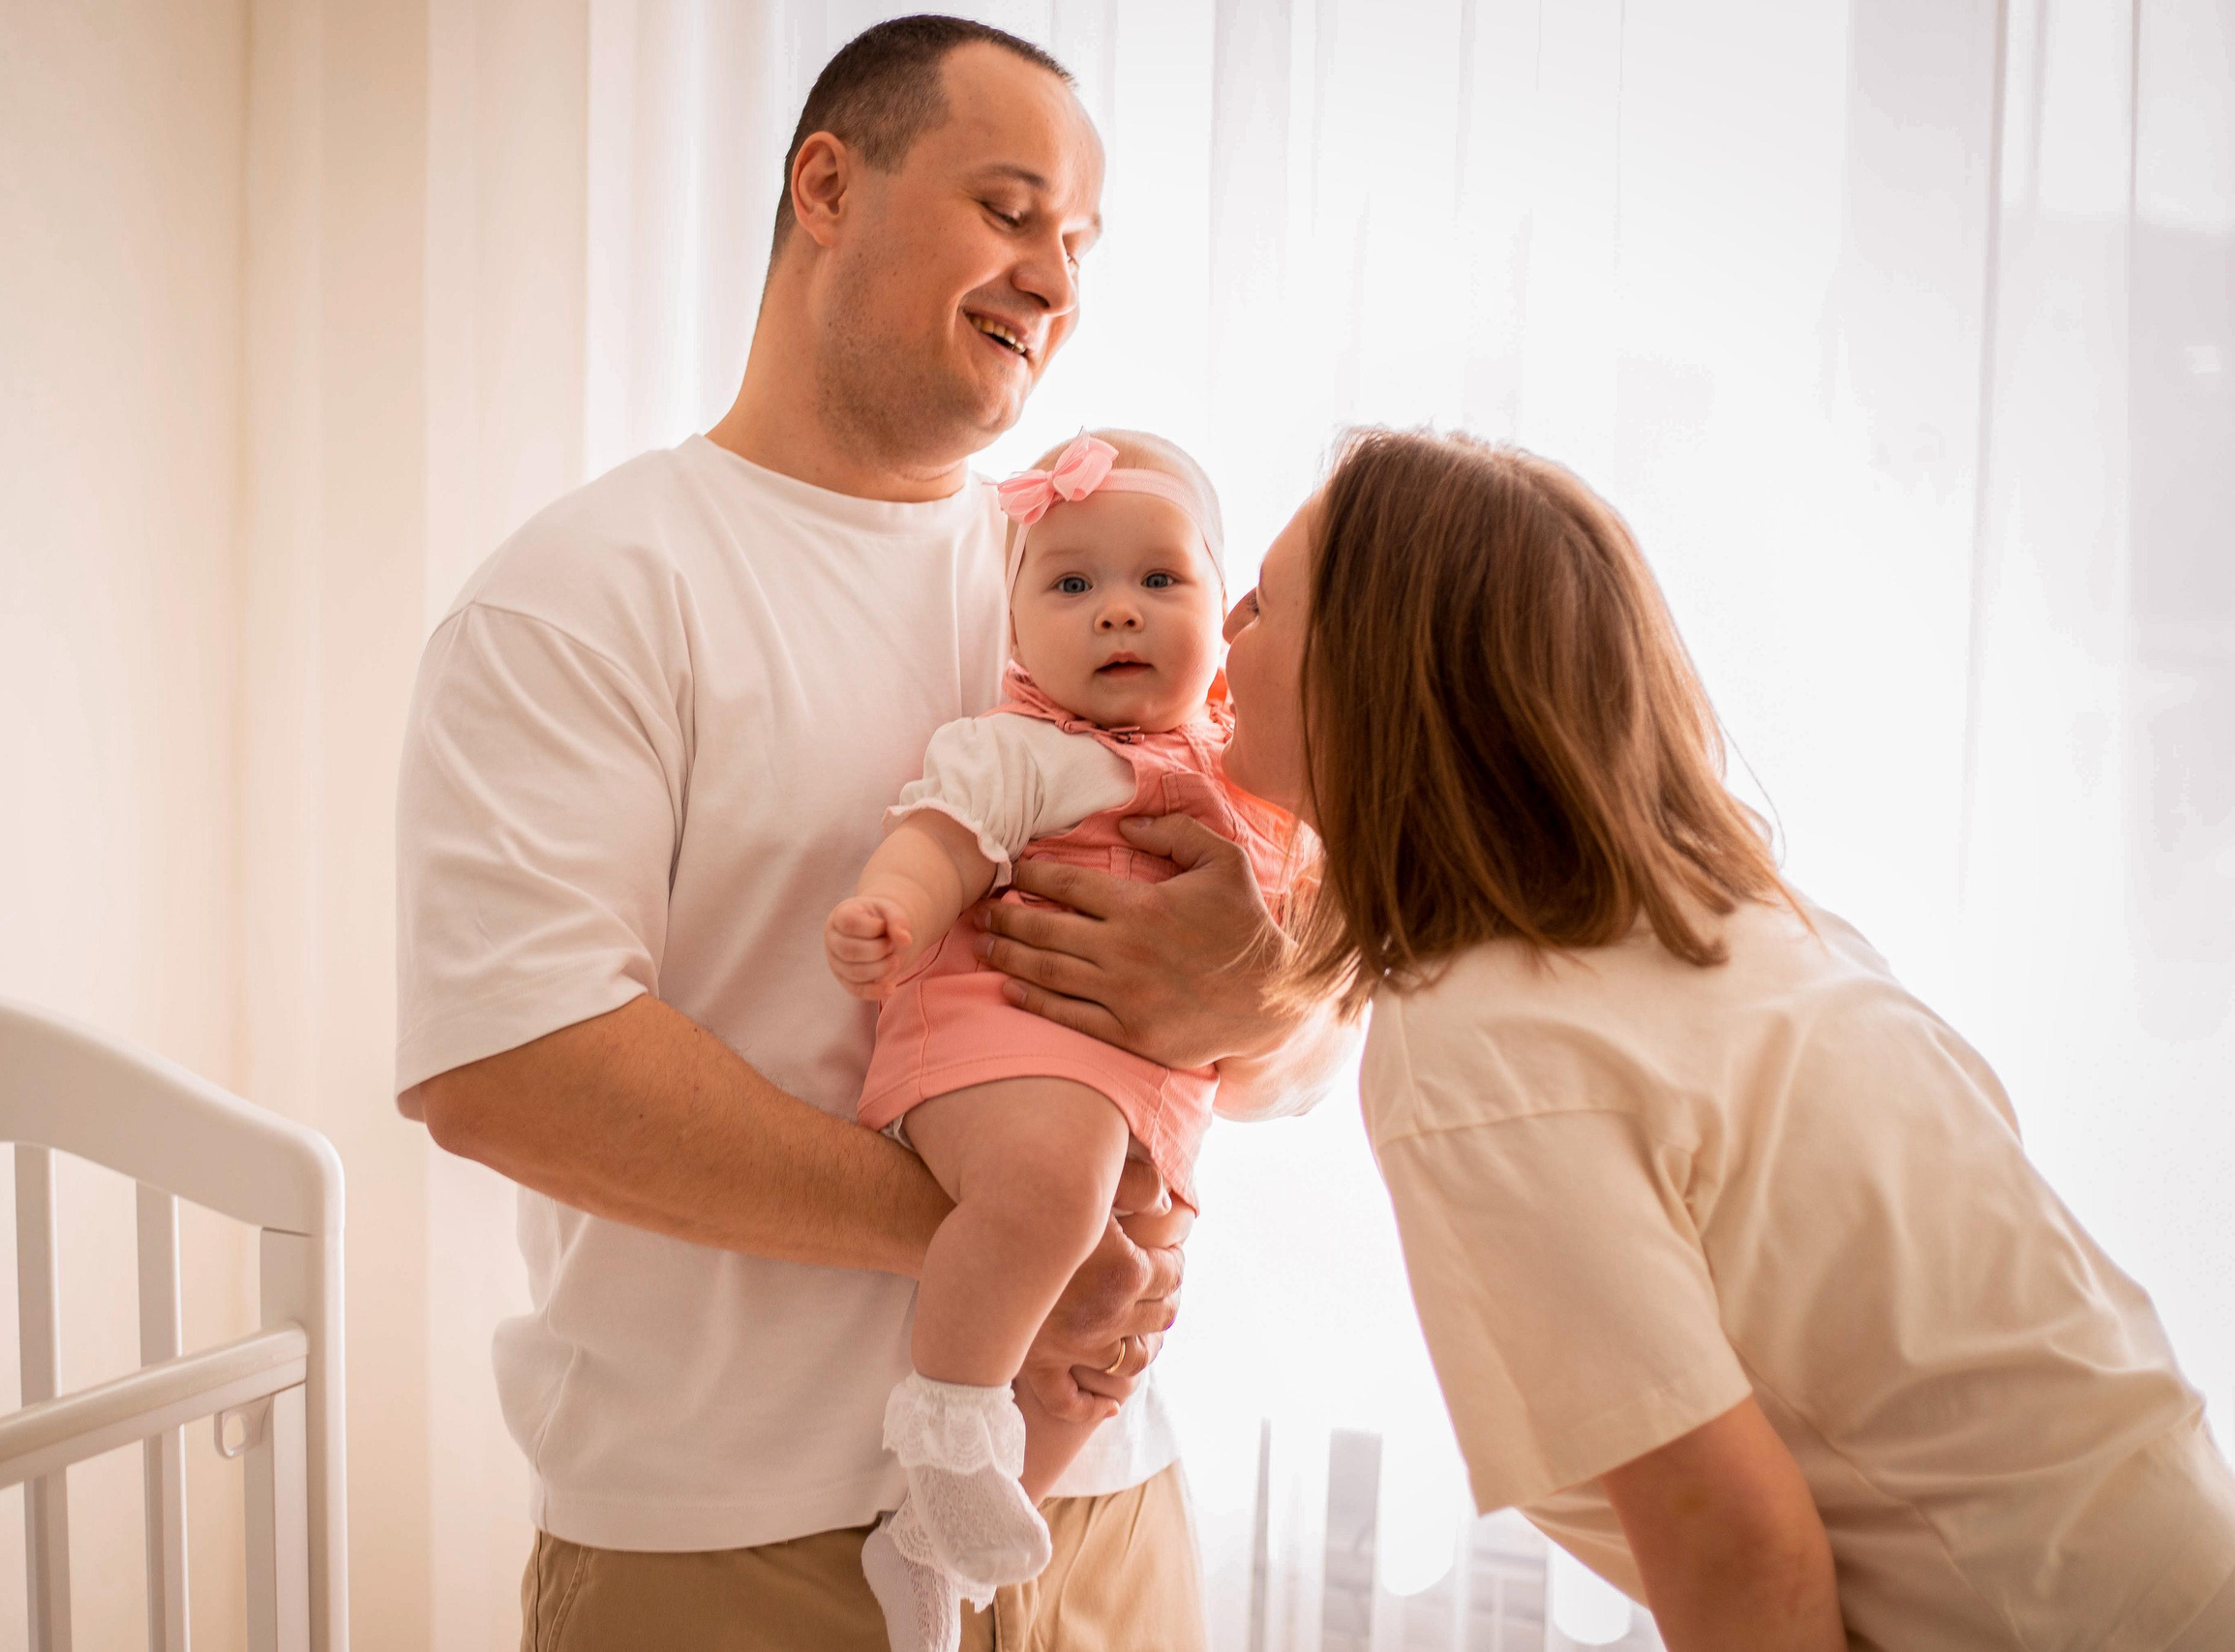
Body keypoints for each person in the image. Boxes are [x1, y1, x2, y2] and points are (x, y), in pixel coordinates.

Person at [393, 18, 1345, 1650]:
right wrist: (999, 1231)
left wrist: (1269, 1001)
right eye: (1008, 207)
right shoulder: (593, 592)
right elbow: (511, 1068)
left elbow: (1313, 982)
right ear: (826, 185)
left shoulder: (1107, 577)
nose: (1053, 276)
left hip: (1103, 1510)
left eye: (1079, 240)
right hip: (736, 1543)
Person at [1215, 427, 2235, 1650]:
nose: (1221, 622)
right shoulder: (1743, 918)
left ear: (1372, 687)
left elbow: (1743, 1563)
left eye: (1266, 602)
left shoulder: (1475, 1043)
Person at [824, 428, 1298, 1650]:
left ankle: (941, 1555)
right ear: (1016, 624)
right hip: (1007, 1054)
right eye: (1072, 584)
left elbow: (1318, 980)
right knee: (1049, 1199)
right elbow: (942, 833)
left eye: (1160, 580)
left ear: (1224, 612)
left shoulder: (1256, 788)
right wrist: (896, 909)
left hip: (1152, 1114)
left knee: (1115, 1327)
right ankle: (948, 1428)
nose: (1117, 614)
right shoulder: (1030, 749)